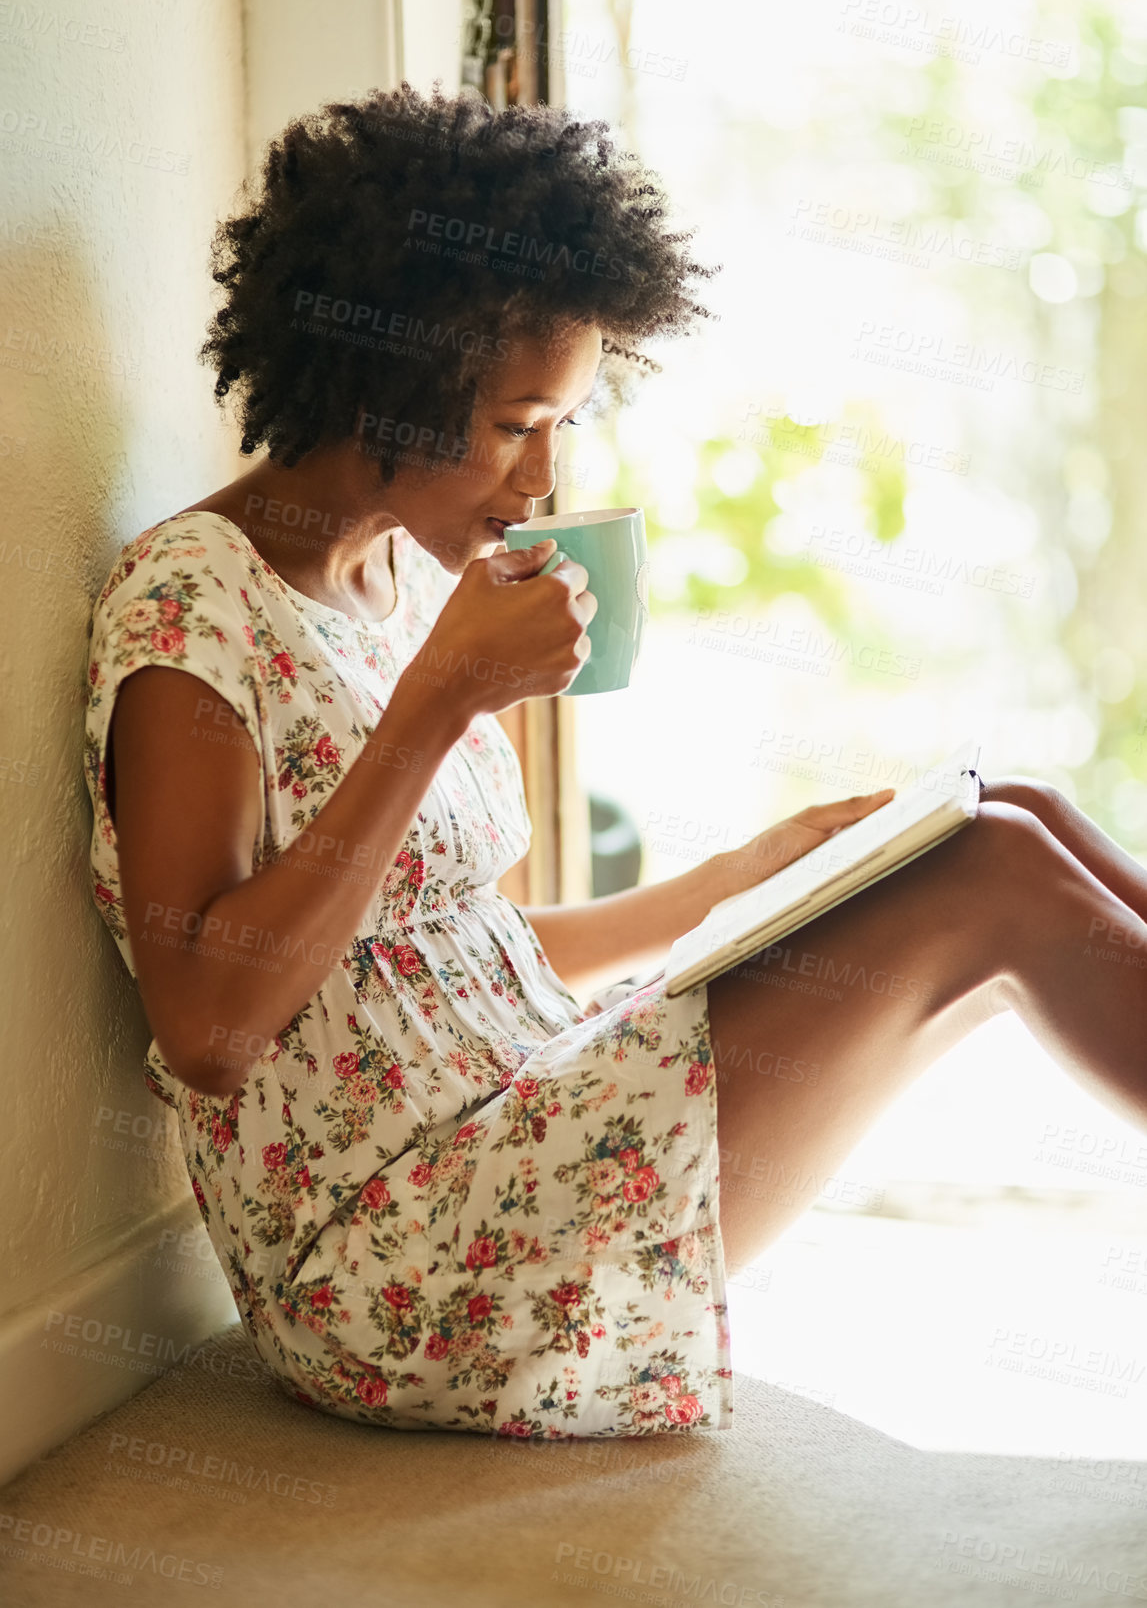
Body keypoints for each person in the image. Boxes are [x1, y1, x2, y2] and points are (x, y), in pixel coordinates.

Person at [84, 84, 1147, 1442]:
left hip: (512, 1117)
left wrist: (739, 882)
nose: (541, 480)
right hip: (391, 1261)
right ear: (384, 375)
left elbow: (439, 954)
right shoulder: (192, 611)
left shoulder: (392, 581)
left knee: (1003, 816)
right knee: (992, 878)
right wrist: (436, 707)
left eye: (561, 426)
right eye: (520, 422)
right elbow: (211, 1030)